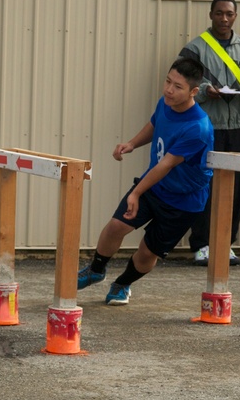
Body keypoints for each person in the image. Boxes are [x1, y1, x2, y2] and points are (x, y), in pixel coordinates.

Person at [77, 57, 214, 305]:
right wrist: (131, 143)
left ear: (194, 91)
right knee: (116, 226)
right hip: (155, 186)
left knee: (147, 251)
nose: (169, 90)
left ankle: (123, 284)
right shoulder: (166, 103)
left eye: (178, 87)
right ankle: (96, 270)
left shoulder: (198, 127)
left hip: (183, 201)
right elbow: (155, 124)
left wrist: (136, 193)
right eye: (168, 81)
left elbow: (166, 164)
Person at [178, 0, 240, 266]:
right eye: (219, 13)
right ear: (211, 15)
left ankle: (225, 244)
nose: (224, 19)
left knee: (237, 187)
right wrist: (205, 91)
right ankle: (202, 244)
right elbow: (181, 81)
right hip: (206, 127)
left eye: (229, 14)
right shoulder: (196, 48)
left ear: (235, 16)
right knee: (205, 185)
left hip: (238, 127)